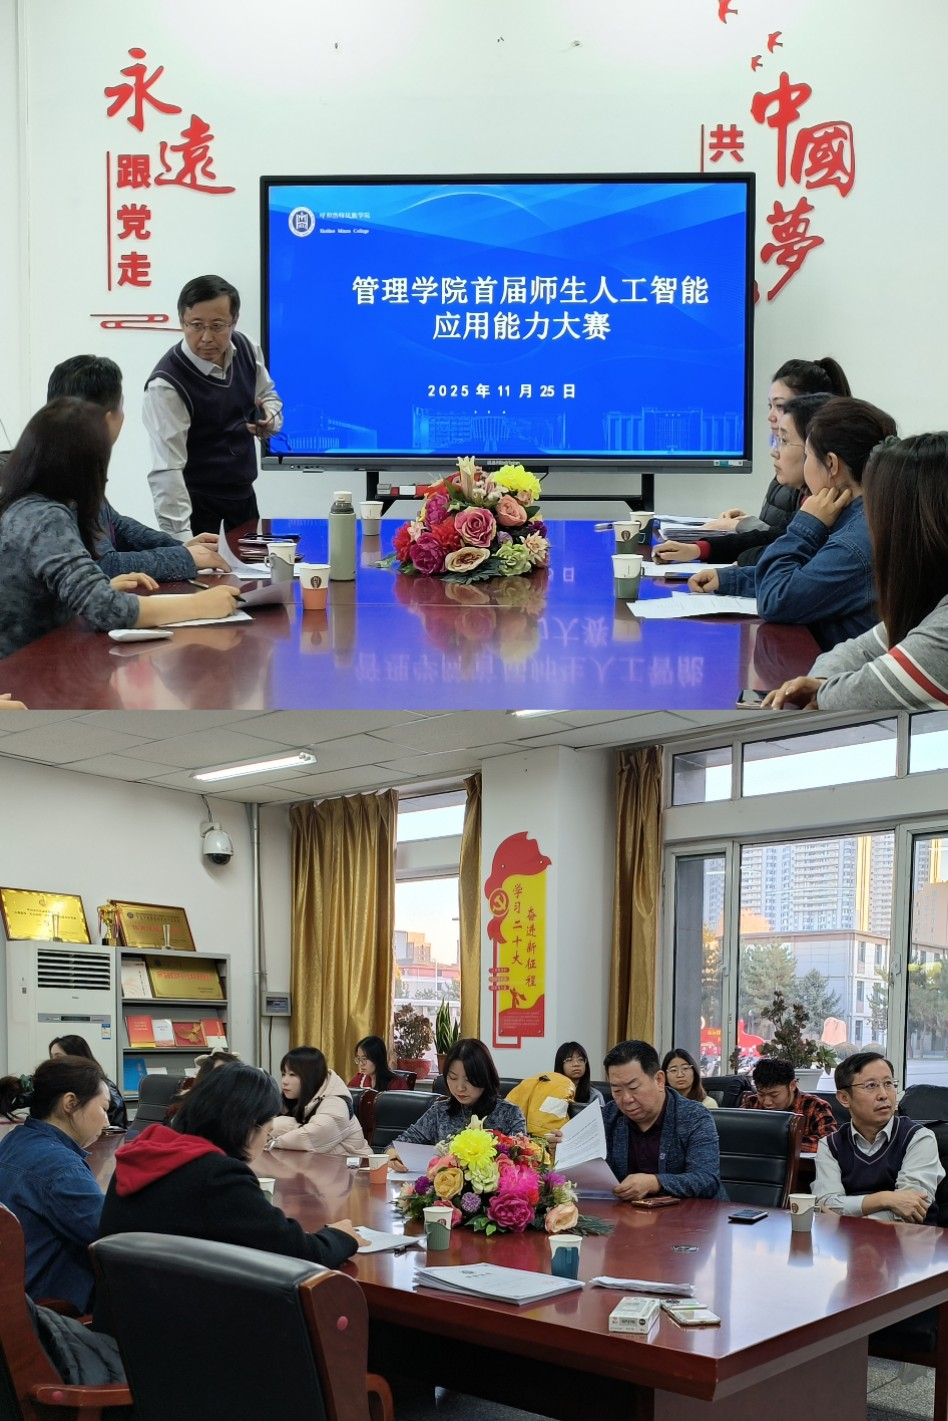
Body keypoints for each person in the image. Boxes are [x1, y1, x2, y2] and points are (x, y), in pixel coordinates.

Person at [94, 1063, 361, 1331]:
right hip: (186, 1338)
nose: (265, 1140)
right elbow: (297, 1253)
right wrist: (340, 1236)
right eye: (267, 1130)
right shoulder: (216, 1177)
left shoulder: (142, 1155)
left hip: (125, 1326)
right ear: (249, 1127)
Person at [0, 398, 242, 659]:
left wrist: (102, 588)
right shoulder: (45, 518)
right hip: (25, 670)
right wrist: (199, 604)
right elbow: (106, 610)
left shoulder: (24, 506)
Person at [688, 397, 897, 652]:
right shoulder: (853, 516)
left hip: (836, 669)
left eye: (808, 455)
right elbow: (806, 577)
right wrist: (730, 579)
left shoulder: (856, 540)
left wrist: (806, 524)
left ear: (831, 464)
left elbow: (777, 598)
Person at [764, 433, 948, 711]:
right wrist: (822, 681)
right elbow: (861, 648)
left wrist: (822, 691)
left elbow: (850, 696)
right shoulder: (931, 595)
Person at [47, 355, 230, 582]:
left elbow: (113, 525)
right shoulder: (59, 473)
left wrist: (178, 547)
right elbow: (101, 565)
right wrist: (183, 558)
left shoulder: (68, 457)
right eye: (121, 405)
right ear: (108, 418)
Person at [653, 356, 850, 565]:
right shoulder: (800, 488)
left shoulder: (837, 514)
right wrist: (701, 549)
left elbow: (783, 554)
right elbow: (775, 538)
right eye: (770, 406)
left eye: (780, 406)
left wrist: (737, 550)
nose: (771, 417)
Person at [143, 274, 283, 539]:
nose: (206, 337)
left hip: (243, 496)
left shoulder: (247, 348)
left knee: (254, 565)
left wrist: (270, 419)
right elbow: (167, 469)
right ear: (181, 322)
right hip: (197, 504)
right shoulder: (166, 385)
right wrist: (181, 541)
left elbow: (268, 394)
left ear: (234, 321)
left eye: (218, 326)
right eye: (196, 325)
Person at [0, 1057, 110, 1311]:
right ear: (70, 1103)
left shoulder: (13, 1141)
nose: (106, 1122)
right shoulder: (61, 1168)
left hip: (14, 1298)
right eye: (103, 1108)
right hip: (46, 1313)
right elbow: (112, 1235)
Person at [813, 1051, 943, 1222]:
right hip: (848, 1239)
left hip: (909, 1237)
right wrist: (885, 1199)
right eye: (871, 1086)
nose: (883, 1094)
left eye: (888, 1084)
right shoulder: (830, 1145)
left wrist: (847, 1221)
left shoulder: (919, 1138)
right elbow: (826, 1203)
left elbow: (911, 1208)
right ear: (844, 1098)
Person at [602, 1039, 727, 1201]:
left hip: (693, 1214)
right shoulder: (610, 1115)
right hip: (630, 1213)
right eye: (617, 1090)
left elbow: (707, 1180)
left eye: (633, 1088)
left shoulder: (694, 1116)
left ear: (659, 1080)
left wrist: (656, 1182)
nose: (626, 1099)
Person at [387, 1039, 526, 1170]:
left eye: (469, 1080)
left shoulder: (510, 1114)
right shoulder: (439, 1112)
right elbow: (396, 1145)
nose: (460, 1087)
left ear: (485, 1077)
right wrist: (392, 1154)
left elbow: (523, 1161)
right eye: (453, 1078)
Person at [268, 1046, 369, 1155]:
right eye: (283, 1074)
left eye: (292, 1075)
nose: (284, 1081)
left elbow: (307, 1138)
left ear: (310, 1076)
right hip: (322, 1162)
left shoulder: (336, 1104)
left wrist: (271, 1139)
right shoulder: (294, 1099)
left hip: (357, 1164)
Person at [741, 1058, 836, 1149]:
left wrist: (779, 1141)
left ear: (792, 1086)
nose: (767, 1102)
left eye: (774, 1095)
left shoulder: (816, 1107)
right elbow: (737, 1135)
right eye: (761, 1094)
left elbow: (830, 1144)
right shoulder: (751, 1103)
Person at [48, 1034, 127, 1129]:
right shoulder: (60, 1085)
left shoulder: (103, 1087)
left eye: (58, 1057)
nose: (52, 1063)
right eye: (51, 1057)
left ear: (76, 1057)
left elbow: (116, 1129)